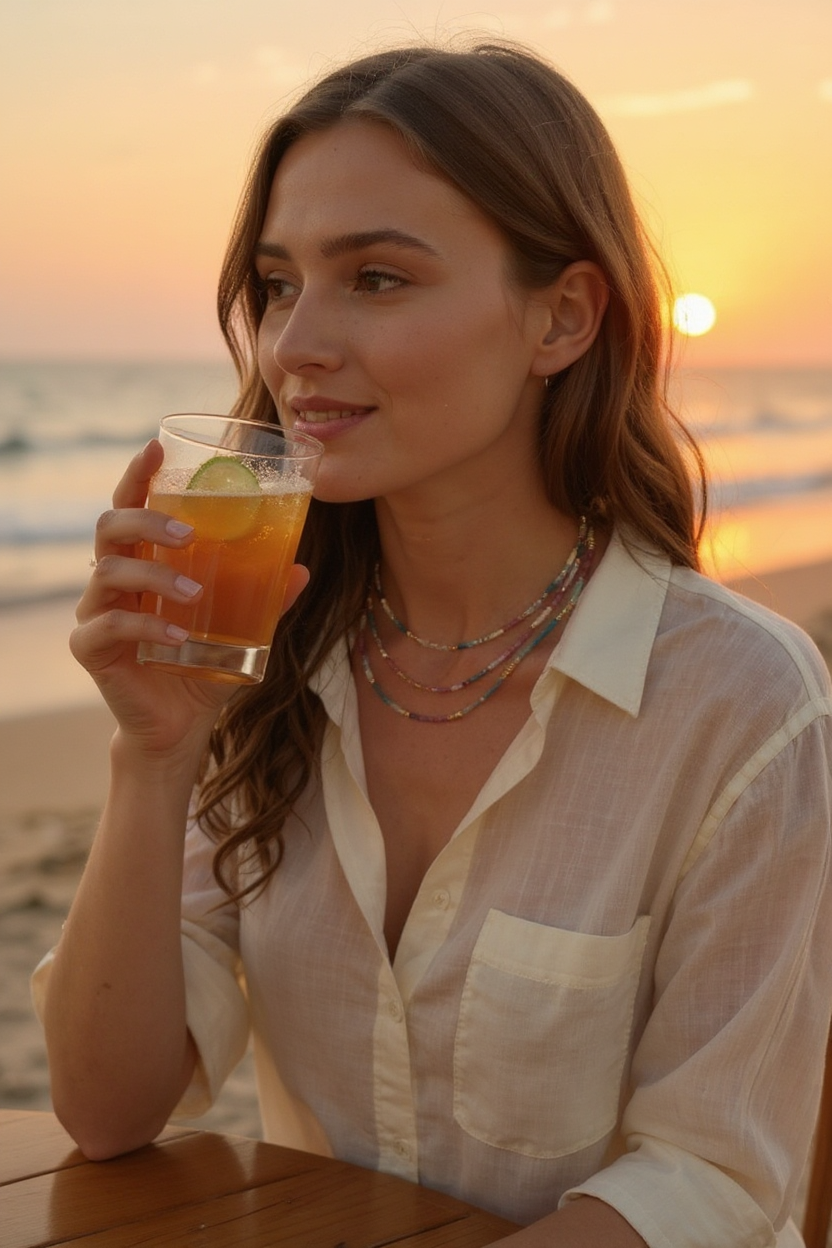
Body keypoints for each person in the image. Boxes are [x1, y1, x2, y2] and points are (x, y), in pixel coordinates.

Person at [33, 41, 832, 1248]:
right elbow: (107, 1110)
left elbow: (708, 1181)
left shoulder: (740, 703)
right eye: (279, 282)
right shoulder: (263, 655)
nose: (295, 344)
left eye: (378, 279)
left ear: (561, 316)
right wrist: (152, 757)